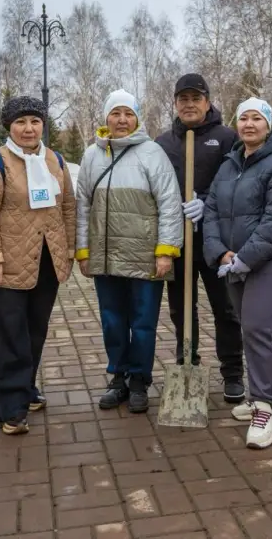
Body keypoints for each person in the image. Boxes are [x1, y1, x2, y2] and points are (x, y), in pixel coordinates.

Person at [0, 96, 76, 435]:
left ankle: (26, 388)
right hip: (7, 264)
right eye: (21, 122)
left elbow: (69, 209)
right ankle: (9, 407)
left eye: (34, 121)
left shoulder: (54, 160)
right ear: (9, 127)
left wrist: (70, 250)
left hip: (46, 261)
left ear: (43, 124)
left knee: (34, 331)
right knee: (8, 335)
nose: (28, 128)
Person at [75, 90, 183, 414]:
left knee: (144, 321)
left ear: (137, 119)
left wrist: (166, 251)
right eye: (115, 113)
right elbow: (82, 205)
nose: (122, 120)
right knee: (112, 321)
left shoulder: (153, 153)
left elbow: (170, 204)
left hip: (144, 255)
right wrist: (83, 250)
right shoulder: (92, 155)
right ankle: (118, 377)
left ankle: (140, 380)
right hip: (106, 257)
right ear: (106, 117)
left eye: (128, 114)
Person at [204, 98, 272, 449]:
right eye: (242, 117)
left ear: (268, 125)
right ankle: (266, 393)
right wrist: (219, 252)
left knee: (258, 326)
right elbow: (211, 210)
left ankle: (265, 406)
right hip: (233, 261)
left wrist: (246, 256)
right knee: (250, 328)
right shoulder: (229, 164)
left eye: (256, 118)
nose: (248, 124)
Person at [156, 73, 244, 403]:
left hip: (216, 241)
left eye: (196, 98)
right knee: (181, 308)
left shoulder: (226, 138)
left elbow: (238, 181)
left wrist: (207, 200)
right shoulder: (163, 143)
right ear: (176, 103)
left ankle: (233, 373)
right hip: (178, 241)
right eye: (183, 99)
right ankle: (187, 362)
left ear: (207, 102)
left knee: (226, 308)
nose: (189, 104)